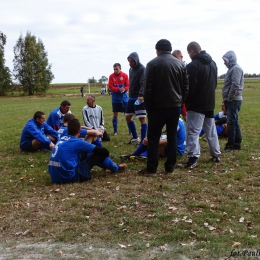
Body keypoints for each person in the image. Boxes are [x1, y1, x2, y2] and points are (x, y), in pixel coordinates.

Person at [141, 39, 189, 176]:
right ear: (169, 49)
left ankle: (151, 168)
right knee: (172, 136)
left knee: (153, 137)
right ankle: (170, 167)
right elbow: (186, 87)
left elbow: (147, 88)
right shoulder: (180, 65)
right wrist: (181, 101)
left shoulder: (152, 64)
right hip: (174, 106)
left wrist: (149, 107)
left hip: (157, 107)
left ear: (157, 50)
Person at [48, 119, 127, 183]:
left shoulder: (62, 138)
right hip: (69, 177)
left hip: (55, 177)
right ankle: (116, 168)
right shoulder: (76, 142)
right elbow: (104, 151)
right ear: (79, 131)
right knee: (98, 154)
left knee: (88, 152)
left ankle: (107, 166)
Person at [182, 41, 221, 169]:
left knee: (193, 131)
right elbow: (214, 83)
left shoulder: (193, 66)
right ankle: (216, 154)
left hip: (196, 104)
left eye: (189, 53)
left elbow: (189, 87)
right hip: (209, 102)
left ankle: (193, 158)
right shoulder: (213, 63)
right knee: (211, 130)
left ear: (192, 51)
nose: (189, 56)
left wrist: (185, 100)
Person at [120, 118, 186, 159]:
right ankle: (135, 155)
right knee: (151, 138)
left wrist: (153, 141)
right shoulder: (177, 120)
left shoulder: (175, 123)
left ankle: (143, 155)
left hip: (177, 151)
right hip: (176, 146)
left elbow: (171, 141)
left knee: (153, 141)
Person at [222, 51, 244, 152]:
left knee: (231, 123)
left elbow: (235, 85)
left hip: (233, 100)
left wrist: (229, 98)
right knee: (234, 121)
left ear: (230, 59)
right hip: (232, 99)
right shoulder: (232, 69)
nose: (224, 63)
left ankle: (230, 145)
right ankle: (237, 143)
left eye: (225, 60)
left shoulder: (236, 69)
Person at [126, 52, 147, 144]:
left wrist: (141, 95)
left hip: (139, 97)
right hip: (131, 96)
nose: (130, 63)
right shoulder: (131, 69)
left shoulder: (142, 69)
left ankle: (143, 141)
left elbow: (143, 82)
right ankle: (135, 137)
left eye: (132, 61)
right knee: (127, 116)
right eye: (129, 61)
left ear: (136, 60)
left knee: (141, 118)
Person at [108, 63, 129, 135]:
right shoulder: (111, 76)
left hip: (124, 99)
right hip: (115, 99)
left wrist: (124, 89)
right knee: (115, 115)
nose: (115, 70)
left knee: (127, 115)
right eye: (114, 69)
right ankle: (115, 131)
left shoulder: (125, 75)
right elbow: (110, 86)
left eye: (117, 69)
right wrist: (118, 89)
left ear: (120, 68)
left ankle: (130, 131)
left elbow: (128, 85)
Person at [172, 50, 187, 121]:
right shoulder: (174, 68)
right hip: (176, 96)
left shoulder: (187, 67)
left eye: (176, 58)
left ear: (181, 57)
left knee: (186, 116)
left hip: (185, 97)